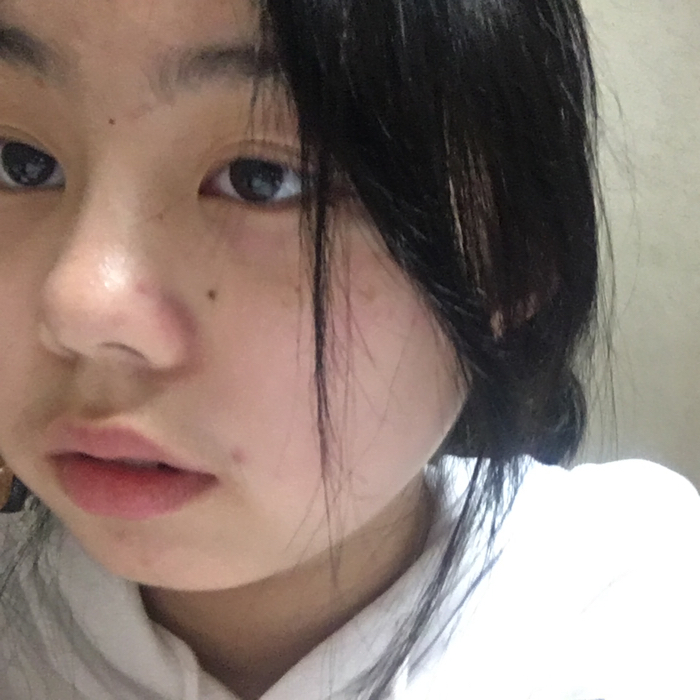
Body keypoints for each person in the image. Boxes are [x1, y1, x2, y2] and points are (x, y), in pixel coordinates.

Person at [0, 0, 698, 698]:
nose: (81, 308)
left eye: (263, 178)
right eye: (21, 164)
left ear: (513, 262)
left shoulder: (639, 604)